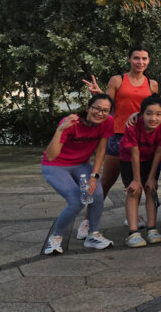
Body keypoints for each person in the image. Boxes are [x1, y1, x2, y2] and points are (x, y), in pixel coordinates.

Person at [81, 46, 159, 210]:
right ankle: (89, 218)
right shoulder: (117, 80)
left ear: (149, 61)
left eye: (144, 58)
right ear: (129, 59)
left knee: (138, 181)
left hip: (142, 138)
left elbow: (154, 110)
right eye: (136, 58)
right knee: (107, 180)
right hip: (118, 135)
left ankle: (132, 218)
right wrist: (98, 94)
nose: (140, 62)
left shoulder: (152, 84)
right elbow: (107, 104)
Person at [42, 94, 115, 254]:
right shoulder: (71, 122)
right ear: (88, 108)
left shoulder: (108, 122)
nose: (100, 113)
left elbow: (101, 149)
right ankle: (55, 237)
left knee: (97, 193)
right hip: (55, 166)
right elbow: (51, 156)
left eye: (105, 110)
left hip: (81, 164)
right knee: (76, 201)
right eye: (96, 108)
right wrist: (60, 130)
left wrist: (94, 176)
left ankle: (93, 235)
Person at [119, 95, 161, 248]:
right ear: (141, 114)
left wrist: (152, 177)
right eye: (149, 113)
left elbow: (159, 152)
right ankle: (133, 232)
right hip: (129, 159)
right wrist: (137, 179)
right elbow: (134, 152)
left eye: (158, 114)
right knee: (134, 191)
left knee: (150, 189)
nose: (153, 118)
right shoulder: (132, 126)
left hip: (151, 158)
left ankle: (152, 228)